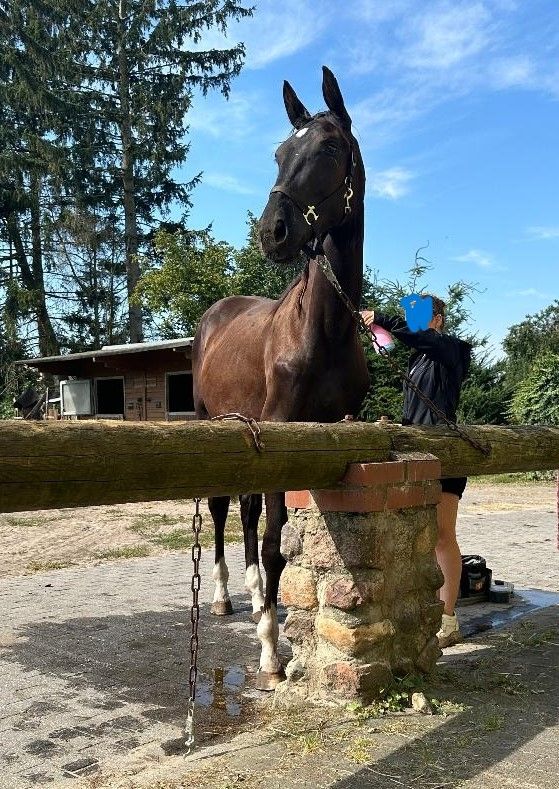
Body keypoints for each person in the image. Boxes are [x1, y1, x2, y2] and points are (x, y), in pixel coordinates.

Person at [361, 295, 472, 648]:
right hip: (418, 454)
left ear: (437, 319)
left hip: (446, 455)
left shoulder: (450, 348)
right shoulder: (418, 358)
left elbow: (418, 336)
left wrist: (381, 317)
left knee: (442, 535)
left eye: (420, 315)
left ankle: (448, 619)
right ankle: (427, 609)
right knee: (419, 537)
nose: (413, 321)